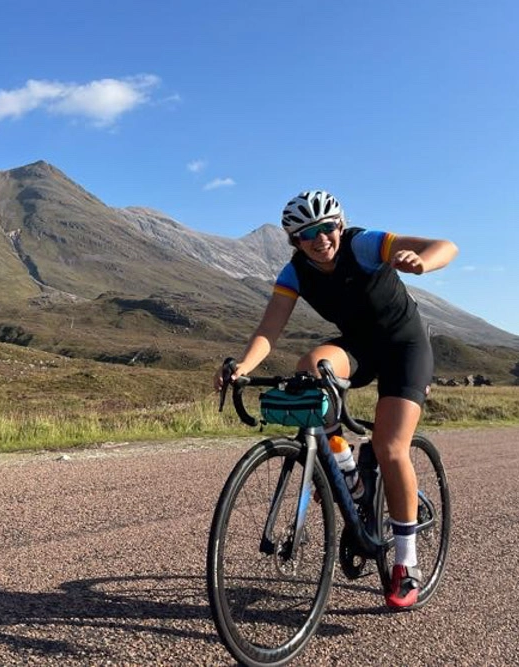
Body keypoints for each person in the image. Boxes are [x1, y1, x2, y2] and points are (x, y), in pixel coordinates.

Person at [214, 190, 458, 609]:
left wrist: (422, 263)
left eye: (327, 227)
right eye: (307, 233)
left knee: (390, 446)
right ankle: (349, 472)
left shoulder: (364, 246)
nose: (320, 238)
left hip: (405, 348)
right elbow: (268, 331)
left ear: (340, 226)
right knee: (309, 366)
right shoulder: (294, 273)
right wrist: (242, 367)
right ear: (294, 240)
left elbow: (446, 247)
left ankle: (406, 563)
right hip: (360, 348)